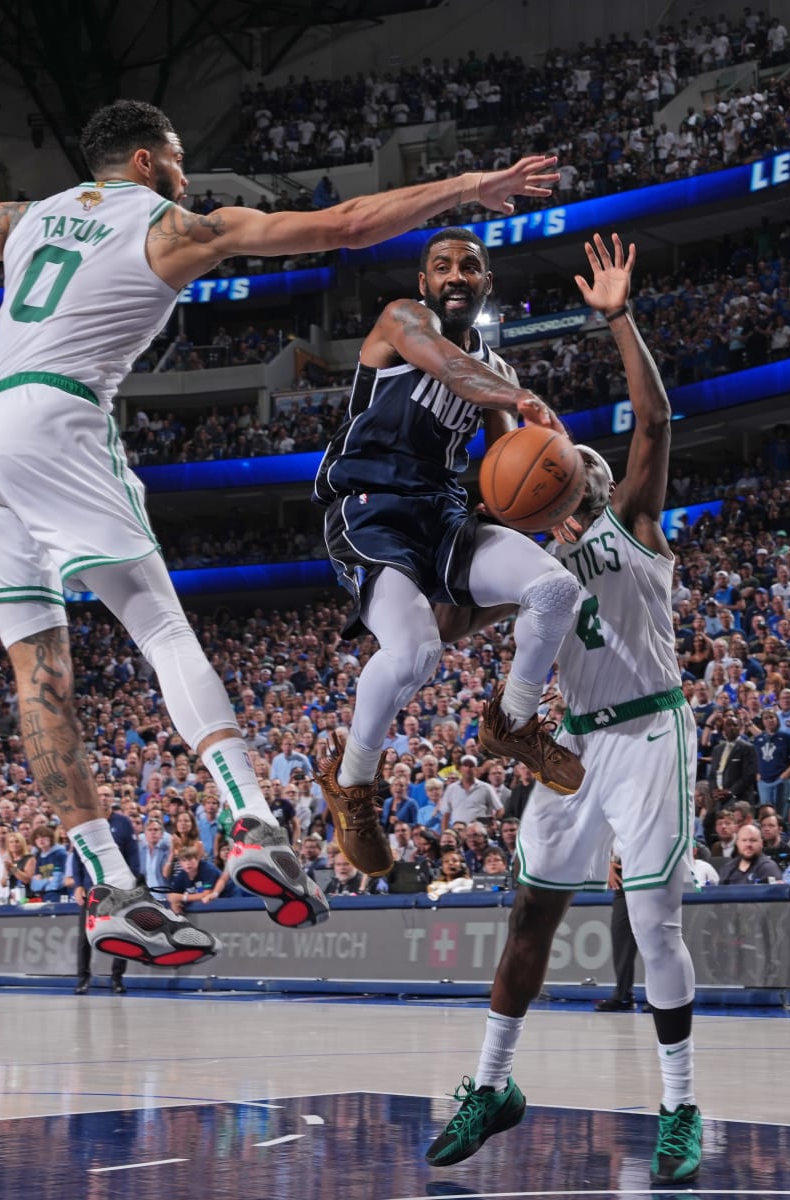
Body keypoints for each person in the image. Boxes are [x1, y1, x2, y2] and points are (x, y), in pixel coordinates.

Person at [0, 101, 558, 964]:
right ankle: (256, 825)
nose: (187, 174)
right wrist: (474, 184)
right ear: (147, 162)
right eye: (179, 159)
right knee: (160, 627)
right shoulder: (175, 225)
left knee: (41, 673)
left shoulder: (20, 218)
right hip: (56, 420)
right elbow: (346, 224)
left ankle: (110, 887)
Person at [426, 236, 701, 1188]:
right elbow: (451, 619)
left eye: (568, 460)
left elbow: (655, 421)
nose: (565, 465)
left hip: (652, 728)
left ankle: (678, 1107)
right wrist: (461, 511)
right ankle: (491, 1086)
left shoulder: (635, 522)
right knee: (530, 920)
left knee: (653, 918)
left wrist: (617, 317)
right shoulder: (524, 567)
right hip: (575, 748)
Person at [314, 219, 589, 882]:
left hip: (441, 515)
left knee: (557, 589)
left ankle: (512, 721)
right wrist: (524, 400)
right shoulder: (401, 320)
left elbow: (502, 462)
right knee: (415, 653)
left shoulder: (496, 369)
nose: (456, 275)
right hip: (370, 509)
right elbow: (450, 368)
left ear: (486, 283)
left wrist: (551, 505)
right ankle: (353, 785)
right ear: (424, 282)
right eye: (443, 265)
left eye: (469, 266)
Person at [70, 849, 127, 996]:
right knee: (85, 937)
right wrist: (78, 884)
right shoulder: (83, 829)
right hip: (90, 890)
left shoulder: (122, 826)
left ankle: (117, 979)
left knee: (120, 935)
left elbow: (131, 858)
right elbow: (77, 860)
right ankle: (82, 978)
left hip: (116, 889)